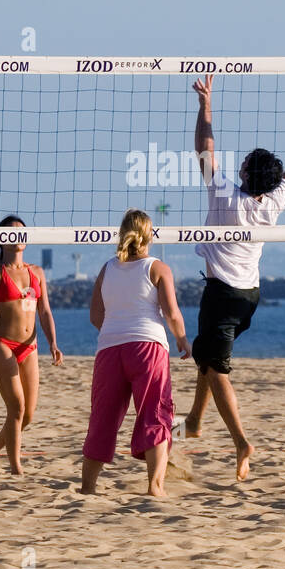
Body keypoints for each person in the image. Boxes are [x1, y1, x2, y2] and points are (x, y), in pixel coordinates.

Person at [182, 74, 285, 480]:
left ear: (244, 172)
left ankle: (242, 442)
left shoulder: (224, 194)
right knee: (207, 357)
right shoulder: (273, 202)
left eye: (242, 162)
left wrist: (205, 103)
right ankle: (192, 421)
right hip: (250, 296)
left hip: (223, 295)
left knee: (217, 369)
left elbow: (204, 147)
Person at [81, 210, 191, 497]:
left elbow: (95, 315)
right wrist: (182, 339)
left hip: (109, 349)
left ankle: (88, 487)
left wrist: (117, 330)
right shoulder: (157, 267)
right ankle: (155, 486)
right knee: (155, 413)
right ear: (149, 235)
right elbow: (172, 313)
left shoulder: (107, 268)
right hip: (147, 348)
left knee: (102, 417)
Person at [0, 216, 63, 475]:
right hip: (2, 344)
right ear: (1, 239)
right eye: (11, 233)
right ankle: (16, 467)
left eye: (21, 233)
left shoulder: (37, 272)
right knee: (17, 408)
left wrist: (53, 343)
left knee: (28, 414)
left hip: (29, 346)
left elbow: (44, 312)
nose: (17, 237)